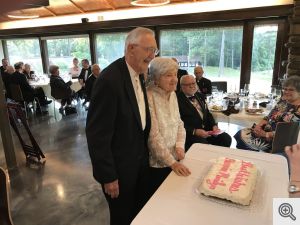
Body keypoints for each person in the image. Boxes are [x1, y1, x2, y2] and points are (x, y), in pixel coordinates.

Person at [86, 27, 157, 225]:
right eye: (148, 50)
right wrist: (108, 177)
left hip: (139, 163)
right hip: (119, 171)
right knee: (122, 218)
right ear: (131, 48)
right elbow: (97, 135)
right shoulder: (109, 80)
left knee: (138, 215)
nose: (152, 56)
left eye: (155, 51)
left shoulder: (138, 73)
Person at [147, 57, 191, 196]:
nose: (175, 79)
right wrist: (172, 162)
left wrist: (180, 145)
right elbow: (153, 136)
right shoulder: (149, 96)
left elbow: (179, 123)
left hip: (176, 158)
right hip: (158, 164)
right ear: (156, 78)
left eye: (175, 75)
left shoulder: (173, 95)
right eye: (168, 75)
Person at [234, 76, 300, 152]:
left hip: (277, 140)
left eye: (291, 90)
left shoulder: (298, 110)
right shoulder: (283, 101)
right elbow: (269, 116)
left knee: (245, 141)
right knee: (241, 133)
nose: (286, 92)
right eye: (285, 89)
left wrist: (265, 134)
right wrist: (259, 126)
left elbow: (288, 133)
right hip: (264, 131)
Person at [177, 74, 232, 150]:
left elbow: (208, 114)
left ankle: (220, 159)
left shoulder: (199, 95)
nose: (192, 86)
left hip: (207, 130)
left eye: (193, 83)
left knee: (226, 138)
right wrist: (195, 131)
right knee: (205, 146)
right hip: (191, 135)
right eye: (188, 84)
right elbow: (177, 124)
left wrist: (214, 125)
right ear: (182, 86)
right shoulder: (177, 100)